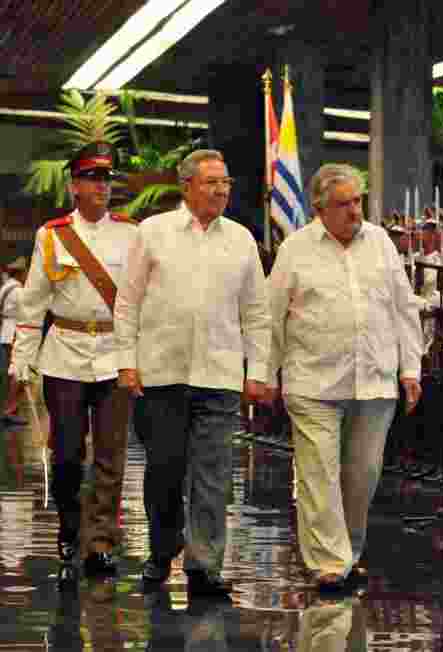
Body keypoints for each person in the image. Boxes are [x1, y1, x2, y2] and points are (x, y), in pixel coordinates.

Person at [115, 148, 271, 598]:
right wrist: (127, 362)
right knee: (164, 471)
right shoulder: (153, 233)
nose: (221, 190)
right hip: (161, 375)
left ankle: (204, 565)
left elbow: (256, 313)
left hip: (220, 377)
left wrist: (256, 370)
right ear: (186, 187)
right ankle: (162, 551)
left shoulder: (241, 239)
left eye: (225, 182)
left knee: (215, 475)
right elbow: (127, 303)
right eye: (211, 182)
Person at [266, 163, 423, 592]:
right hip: (312, 383)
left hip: (373, 381)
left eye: (358, 201)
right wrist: (263, 374)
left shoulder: (381, 243)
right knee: (319, 474)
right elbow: (271, 317)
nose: (355, 211)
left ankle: (348, 553)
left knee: (363, 474)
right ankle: (327, 562)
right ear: (320, 208)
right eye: (344, 204)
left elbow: (403, 308)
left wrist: (411, 369)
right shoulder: (295, 250)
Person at [12, 142, 137, 584]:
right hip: (63, 354)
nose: (101, 186)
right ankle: (69, 525)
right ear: (74, 186)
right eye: (92, 178)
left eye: (106, 178)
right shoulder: (52, 235)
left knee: (110, 455)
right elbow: (32, 303)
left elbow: (139, 301)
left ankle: (100, 543)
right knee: (66, 454)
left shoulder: (131, 234)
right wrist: (21, 360)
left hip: (115, 354)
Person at [1, 257, 27, 425]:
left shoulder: (5, 287)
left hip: (5, 331)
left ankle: (9, 409)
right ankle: (9, 410)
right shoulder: (18, 291)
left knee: (9, 372)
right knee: (18, 372)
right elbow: (28, 312)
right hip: (14, 332)